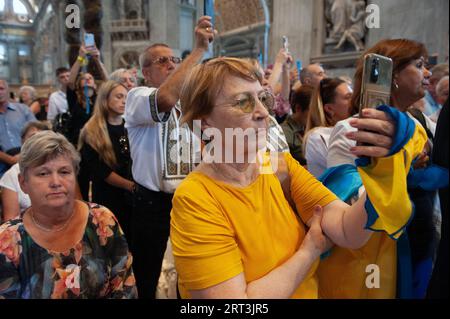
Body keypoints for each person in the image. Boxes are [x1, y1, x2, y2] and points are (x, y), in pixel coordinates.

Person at [170, 57, 423, 299]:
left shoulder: (280, 167)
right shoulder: (196, 198)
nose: (263, 113)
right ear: (204, 123)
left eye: (263, 99)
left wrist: (383, 167)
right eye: (243, 102)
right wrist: (309, 251)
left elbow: (348, 231)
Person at [320, 38, 440, 299]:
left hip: (419, 244)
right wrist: (400, 171)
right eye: (419, 65)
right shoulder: (352, 129)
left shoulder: (420, 125)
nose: (428, 72)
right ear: (393, 74)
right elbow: (343, 199)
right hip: (373, 256)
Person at [124, 16, 215, 299]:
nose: (171, 64)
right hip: (153, 207)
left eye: (173, 59)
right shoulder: (138, 96)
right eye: (161, 61)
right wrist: (199, 51)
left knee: (188, 274)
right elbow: (164, 99)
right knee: (152, 276)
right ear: (145, 72)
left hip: (189, 201)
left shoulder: (189, 105)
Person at [0, 131, 137, 298]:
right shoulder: (7, 241)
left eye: (64, 172)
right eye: (43, 173)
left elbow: (124, 287)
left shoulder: (101, 220)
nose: (56, 182)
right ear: (23, 183)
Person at [78, 81, 134, 241]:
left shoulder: (130, 126)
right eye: (119, 96)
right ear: (104, 99)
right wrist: (132, 186)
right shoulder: (92, 131)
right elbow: (103, 172)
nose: (124, 101)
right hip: (108, 199)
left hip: (131, 198)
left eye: (126, 97)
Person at [0, 121, 51, 222]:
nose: (37, 142)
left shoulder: (61, 169)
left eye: (42, 138)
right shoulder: (11, 175)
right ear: (22, 142)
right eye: (32, 137)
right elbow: (11, 221)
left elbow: (77, 207)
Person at [303, 77, 353, 178]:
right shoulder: (317, 137)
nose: (355, 100)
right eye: (348, 97)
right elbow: (346, 174)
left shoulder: (352, 127)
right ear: (329, 108)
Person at [66, 44, 109, 146]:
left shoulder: (100, 98)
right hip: (80, 141)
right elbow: (70, 81)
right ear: (79, 84)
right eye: (84, 78)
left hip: (100, 140)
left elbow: (109, 83)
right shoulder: (75, 98)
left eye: (90, 78)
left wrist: (98, 60)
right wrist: (80, 58)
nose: (88, 79)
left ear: (95, 84)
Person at [0, 79, 36, 177]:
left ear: (8, 91)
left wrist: (23, 155)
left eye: (1, 88)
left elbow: (36, 133)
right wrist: (10, 159)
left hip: (28, 153)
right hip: (2, 160)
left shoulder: (23, 109)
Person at [281, 84, 315, 166]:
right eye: (313, 111)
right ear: (298, 108)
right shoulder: (284, 133)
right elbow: (283, 169)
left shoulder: (312, 127)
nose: (316, 115)